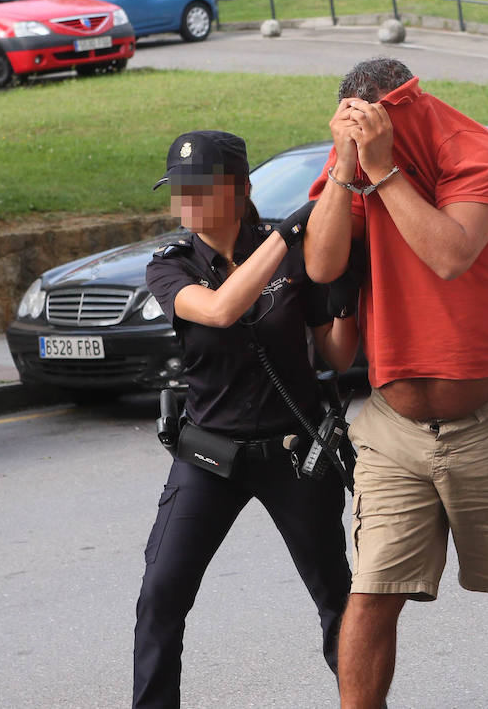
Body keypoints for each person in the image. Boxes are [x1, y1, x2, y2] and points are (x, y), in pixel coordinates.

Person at [303, 58, 488, 709]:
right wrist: (347, 170)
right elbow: (323, 263)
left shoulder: (475, 150)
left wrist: (384, 171)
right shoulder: (355, 158)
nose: (361, 133)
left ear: (404, 108)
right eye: (349, 126)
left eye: (372, 123)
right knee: (372, 590)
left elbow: (450, 255)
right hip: (394, 426)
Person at [133, 130, 360, 709]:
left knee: (339, 599)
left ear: (239, 188)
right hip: (211, 457)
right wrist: (287, 239)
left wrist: (346, 293)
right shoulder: (172, 266)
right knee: (161, 597)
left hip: (293, 455)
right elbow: (220, 308)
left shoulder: (294, 253)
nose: (185, 201)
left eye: (198, 188)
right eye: (177, 190)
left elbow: (335, 356)